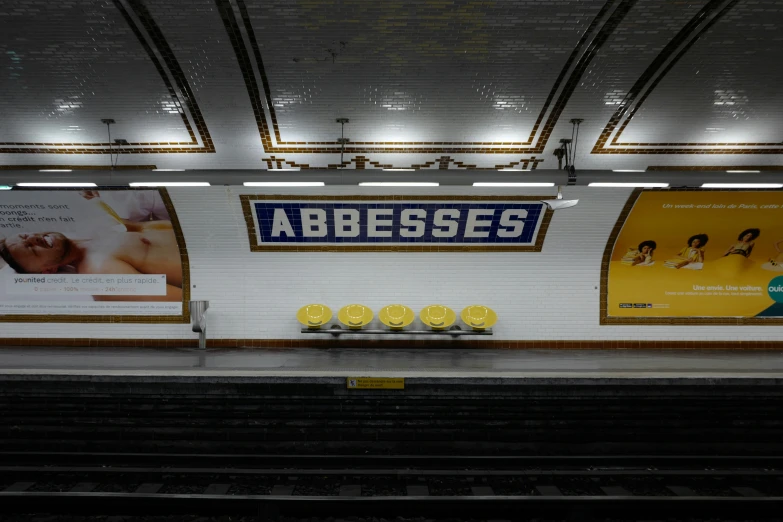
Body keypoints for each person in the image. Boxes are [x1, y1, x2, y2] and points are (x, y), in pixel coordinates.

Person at [0, 218, 182, 302]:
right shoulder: (100, 273)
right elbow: (177, 300)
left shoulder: (95, 228)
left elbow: (150, 226)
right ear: (49, 270)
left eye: (25, 236)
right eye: (32, 250)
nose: (33, 239)